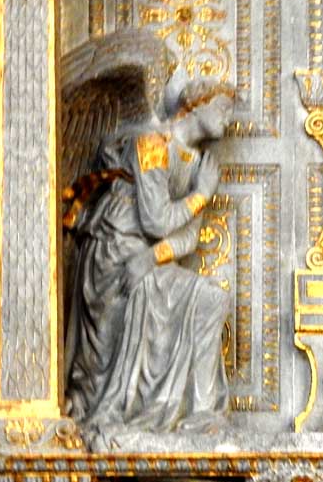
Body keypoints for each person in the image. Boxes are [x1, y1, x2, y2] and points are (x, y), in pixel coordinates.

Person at [65, 78, 235, 435]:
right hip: (115, 251)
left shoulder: (198, 164)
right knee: (101, 362)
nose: (228, 118)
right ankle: (110, 406)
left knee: (212, 299)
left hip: (144, 260)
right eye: (222, 107)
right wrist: (200, 195)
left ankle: (202, 411)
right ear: (195, 104)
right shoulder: (152, 142)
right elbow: (156, 220)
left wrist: (152, 257)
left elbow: (188, 237)